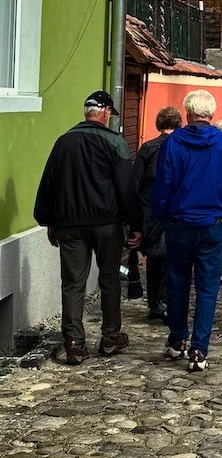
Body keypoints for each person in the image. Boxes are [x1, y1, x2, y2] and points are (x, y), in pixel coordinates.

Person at [33, 91, 142, 365]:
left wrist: (49, 221)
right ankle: (109, 337)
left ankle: (74, 344)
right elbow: (126, 188)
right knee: (109, 279)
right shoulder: (115, 143)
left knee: (72, 284)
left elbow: (49, 183)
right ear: (105, 112)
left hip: (70, 224)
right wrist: (136, 224)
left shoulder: (63, 142)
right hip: (107, 223)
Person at [152, 89, 222, 372]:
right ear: (211, 114)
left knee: (178, 282)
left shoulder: (172, 144)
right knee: (208, 286)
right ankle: (199, 349)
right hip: (213, 224)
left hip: (179, 223)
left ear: (187, 113)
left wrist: (161, 216)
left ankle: (177, 339)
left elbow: (163, 186)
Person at [133, 105, 182, 321]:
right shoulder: (182, 147)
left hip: (150, 210)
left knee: (154, 257)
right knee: (173, 259)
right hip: (175, 210)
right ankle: (166, 301)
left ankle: (154, 302)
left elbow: (136, 182)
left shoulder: (148, 148)